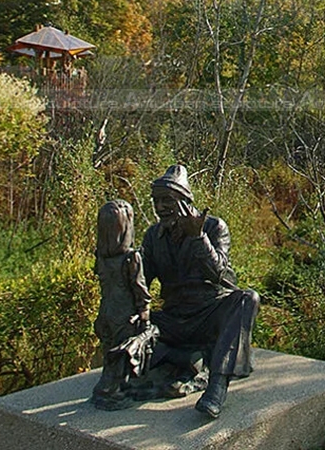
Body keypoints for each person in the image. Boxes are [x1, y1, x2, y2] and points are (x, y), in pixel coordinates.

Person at [141, 165, 260, 418]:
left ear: (184, 201)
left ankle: (216, 387)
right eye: (156, 201)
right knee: (128, 318)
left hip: (208, 314)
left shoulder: (214, 228)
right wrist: (119, 267)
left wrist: (198, 239)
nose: (160, 207)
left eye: (167, 200)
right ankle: (187, 359)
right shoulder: (153, 236)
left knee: (247, 299)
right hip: (174, 318)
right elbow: (142, 283)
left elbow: (221, 276)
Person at [92, 199, 158, 410]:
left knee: (109, 348)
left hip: (106, 310)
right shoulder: (131, 258)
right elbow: (139, 287)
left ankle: (106, 385)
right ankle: (116, 389)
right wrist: (144, 309)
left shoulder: (101, 257)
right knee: (123, 351)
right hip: (125, 312)